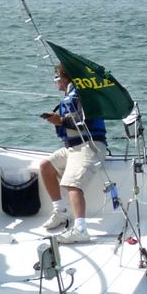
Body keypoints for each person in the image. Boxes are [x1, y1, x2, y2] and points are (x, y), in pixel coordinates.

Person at [38, 67, 107, 241]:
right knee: (46, 166)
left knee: (72, 184)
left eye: (56, 78)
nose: (55, 82)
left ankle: (81, 230)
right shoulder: (72, 96)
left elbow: (84, 120)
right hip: (72, 148)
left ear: (64, 78)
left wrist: (60, 120)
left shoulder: (83, 95)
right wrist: (57, 120)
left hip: (89, 146)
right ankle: (60, 211)